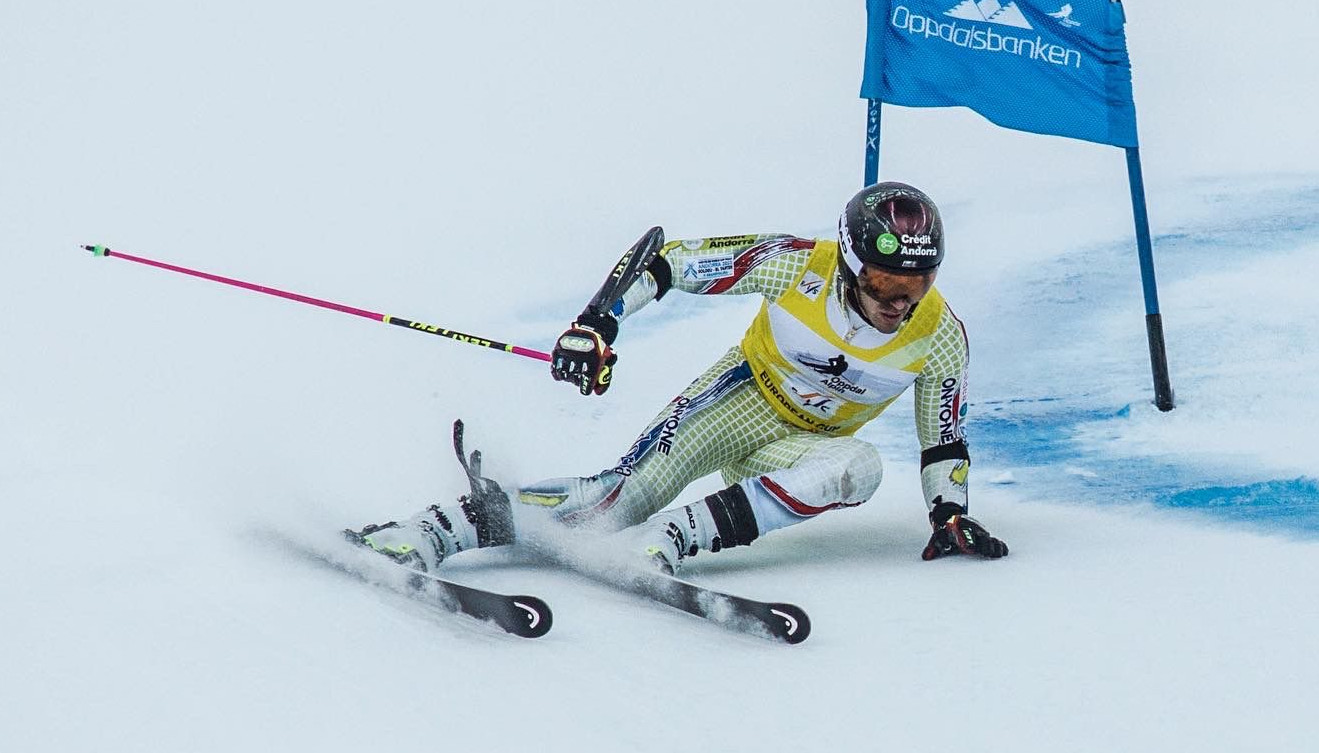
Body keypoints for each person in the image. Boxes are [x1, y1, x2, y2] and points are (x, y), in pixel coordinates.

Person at [351, 182, 1008, 573]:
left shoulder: (939, 335)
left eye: (915, 283)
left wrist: (948, 514)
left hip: (795, 451)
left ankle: (668, 538)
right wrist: (598, 322)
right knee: (611, 504)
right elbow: (669, 264)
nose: (898, 300)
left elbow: (942, 437)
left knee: (859, 468)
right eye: (883, 281)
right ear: (849, 264)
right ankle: (431, 528)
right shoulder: (796, 264)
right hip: (738, 401)